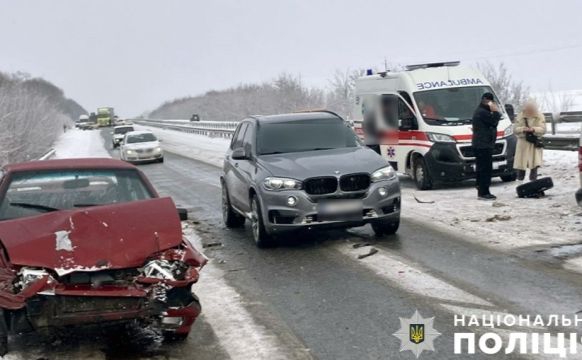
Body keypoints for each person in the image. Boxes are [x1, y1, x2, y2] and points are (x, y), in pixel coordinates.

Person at [472, 93, 501, 200]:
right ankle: (484, 192)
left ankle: (480, 188)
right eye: (491, 102)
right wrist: (495, 111)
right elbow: (494, 122)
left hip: (481, 144)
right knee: (485, 169)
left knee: (481, 168)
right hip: (483, 145)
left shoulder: (481, 111)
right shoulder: (482, 112)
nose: (492, 104)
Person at [513, 100, 546, 181]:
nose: (529, 110)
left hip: (534, 144)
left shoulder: (540, 116)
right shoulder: (520, 116)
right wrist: (523, 129)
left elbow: (543, 129)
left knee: (534, 166)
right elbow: (515, 130)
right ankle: (520, 185)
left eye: (531, 108)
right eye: (528, 108)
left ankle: (533, 185)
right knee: (521, 167)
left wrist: (533, 129)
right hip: (522, 145)